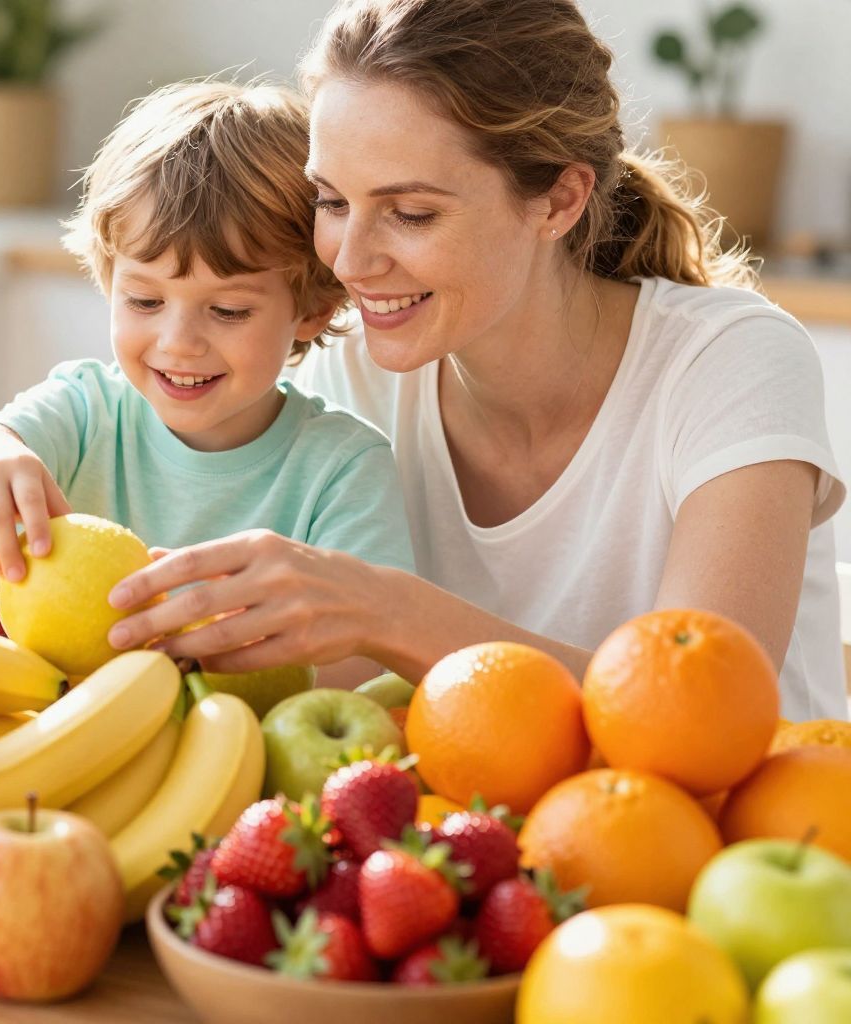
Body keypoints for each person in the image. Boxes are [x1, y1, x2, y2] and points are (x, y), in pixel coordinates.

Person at [104, 0, 845, 720]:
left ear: (559, 201)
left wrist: (387, 612)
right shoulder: (348, 376)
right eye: (332, 202)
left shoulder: (727, 363)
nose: (350, 261)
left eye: (411, 213)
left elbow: (702, 708)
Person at [0, 80, 416, 638]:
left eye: (229, 310)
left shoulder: (343, 469)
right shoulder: (89, 411)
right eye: (145, 301)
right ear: (108, 283)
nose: (178, 342)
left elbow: (366, 658)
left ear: (311, 310)